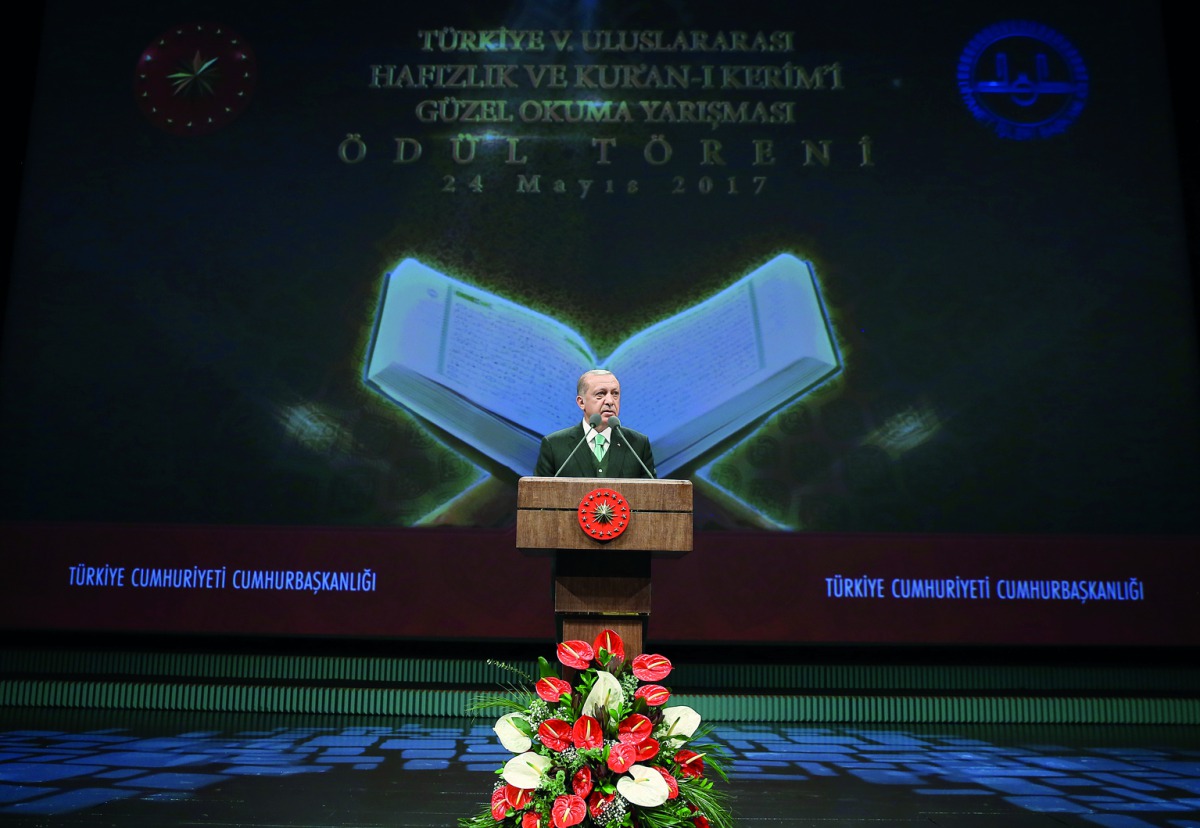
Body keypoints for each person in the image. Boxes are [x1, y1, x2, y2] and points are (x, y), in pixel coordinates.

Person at [534, 369, 657, 478]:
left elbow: (653, 496)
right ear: (581, 402)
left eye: (615, 394)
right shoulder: (554, 445)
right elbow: (537, 498)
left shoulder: (638, 444)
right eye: (600, 394)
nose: (610, 401)